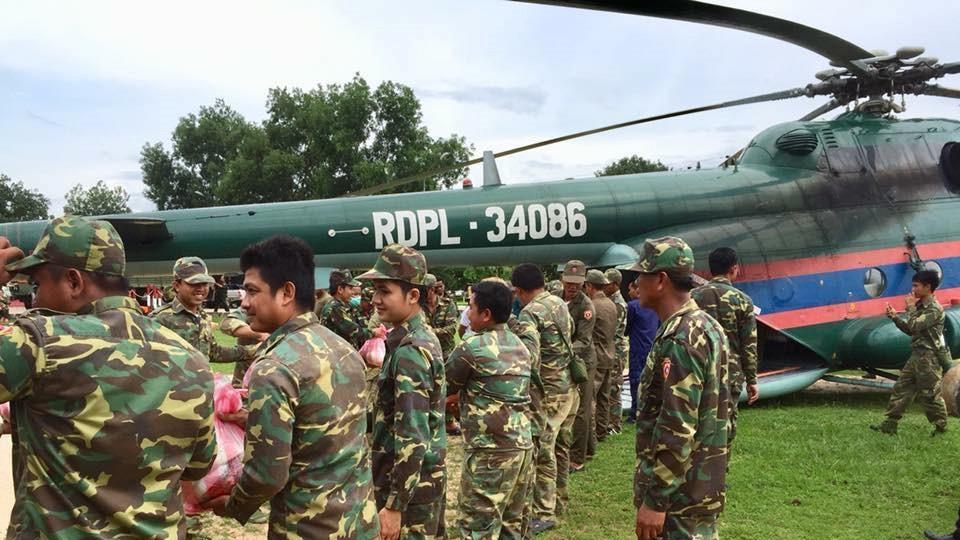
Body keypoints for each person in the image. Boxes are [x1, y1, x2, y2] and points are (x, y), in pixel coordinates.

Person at [0, 215, 216, 538]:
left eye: (38, 285)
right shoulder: (192, 360)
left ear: (74, 281)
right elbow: (198, 465)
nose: (36, 299)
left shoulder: (38, 343)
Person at [205, 236, 379, 538]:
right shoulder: (343, 349)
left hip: (308, 528)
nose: (244, 303)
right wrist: (253, 419)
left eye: (252, 291)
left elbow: (267, 474)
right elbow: (324, 429)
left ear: (286, 292)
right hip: (359, 521)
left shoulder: (274, 368)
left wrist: (233, 505)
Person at [621, 236, 730, 540]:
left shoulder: (680, 337)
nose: (636, 282)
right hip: (698, 485)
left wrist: (656, 500)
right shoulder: (706, 326)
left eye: (641, 275)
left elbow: (677, 425)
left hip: (678, 499)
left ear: (660, 280)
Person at [359, 244, 446, 540]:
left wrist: (395, 505)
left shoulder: (410, 351)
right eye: (375, 290)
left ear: (413, 296)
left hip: (409, 491)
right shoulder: (414, 338)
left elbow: (412, 432)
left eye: (384, 291)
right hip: (418, 482)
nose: (376, 299)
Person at [446, 280, 534, 539]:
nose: (467, 312)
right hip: (522, 447)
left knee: (478, 527)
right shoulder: (520, 344)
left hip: (489, 452)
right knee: (511, 525)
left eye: (471, 307)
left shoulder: (471, 348)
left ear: (485, 314)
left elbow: (444, 386)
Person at [511, 263, 576, 534]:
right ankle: (559, 500)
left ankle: (544, 511)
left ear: (519, 289)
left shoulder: (530, 312)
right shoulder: (559, 302)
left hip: (548, 392)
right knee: (561, 447)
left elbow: (531, 357)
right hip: (568, 386)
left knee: (543, 452)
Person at [692, 247, 760, 454]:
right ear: (734, 269)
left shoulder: (693, 297)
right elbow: (749, 345)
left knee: (696, 421)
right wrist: (752, 379)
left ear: (710, 269)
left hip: (698, 369)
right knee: (725, 424)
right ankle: (720, 467)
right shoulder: (743, 301)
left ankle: (696, 465)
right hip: (730, 373)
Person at [871, 269, 949, 435]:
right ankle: (890, 423)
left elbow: (915, 326)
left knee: (929, 394)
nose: (913, 289)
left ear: (928, 287)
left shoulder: (934, 309)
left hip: (928, 358)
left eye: (916, 286)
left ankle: (940, 427)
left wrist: (911, 307)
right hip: (917, 356)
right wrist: (895, 317)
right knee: (901, 388)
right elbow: (911, 330)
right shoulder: (920, 306)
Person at [152, 257, 251, 366]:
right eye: (193, 283)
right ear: (177, 286)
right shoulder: (159, 319)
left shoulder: (202, 316)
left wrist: (251, 351)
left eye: (205, 283)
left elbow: (213, 352)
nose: (201, 288)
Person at [562, 260, 595, 476]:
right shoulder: (556, 298)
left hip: (581, 362)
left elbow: (584, 340)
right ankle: (589, 448)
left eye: (577, 283)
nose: (572, 286)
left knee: (581, 409)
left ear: (583, 283)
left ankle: (576, 459)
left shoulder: (586, 306)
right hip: (564, 359)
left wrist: (560, 349)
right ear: (562, 279)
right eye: (569, 282)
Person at [424, 273, 462, 435]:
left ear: (432, 290)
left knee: (447, 387)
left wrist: (429, 332)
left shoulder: (448, 305)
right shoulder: (418, 306)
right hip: (425, 351)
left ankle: (448, 421)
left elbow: (451, 329)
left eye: (425, 289)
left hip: (445, 352)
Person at [584, 270, 618, 443]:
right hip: (610, 354)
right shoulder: (611, 304)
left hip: (596, 355)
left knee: (590, 397)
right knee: (604, 397)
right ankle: (601, 431)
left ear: (589, 286)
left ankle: (591, 434)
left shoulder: (592, 305)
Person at [321, 270, 385, 349]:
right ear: (340, 289)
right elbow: (354, 331)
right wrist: (374, 332)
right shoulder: (335, 308)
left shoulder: (344, 306)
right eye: (350, 288)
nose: (352, 293)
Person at [624, 283, 659, 423]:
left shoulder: (632, 306)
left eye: (630, 289)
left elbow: (626, 328)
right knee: (651, 380)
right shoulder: (655, 305)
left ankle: (635, 413)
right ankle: (649, 410)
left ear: (637, 289)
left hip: (637, 348)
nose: (629, 292)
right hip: (652, 346)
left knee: (635, 381)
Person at [603, 268, 628, 435]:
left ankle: (614, 424)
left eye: (608, 283)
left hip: (616, 350)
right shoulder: (610, 301)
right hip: (612, 348)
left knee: (614, 387)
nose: (605, 286)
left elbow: (611, 329)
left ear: (615, 284)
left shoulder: (617, 304)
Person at [219, 307, 269, 387]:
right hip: (244, 380)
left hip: (276, 381)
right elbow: (226, 323)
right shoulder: (254, 306)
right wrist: (260, 335)